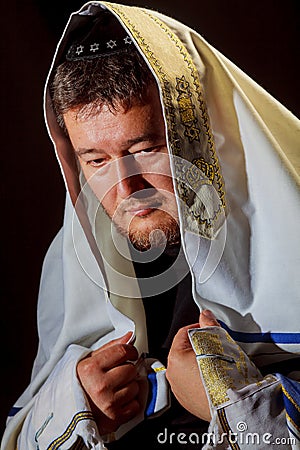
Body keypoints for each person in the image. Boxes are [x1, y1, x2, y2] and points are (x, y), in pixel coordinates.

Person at [1, 2, 300, 449]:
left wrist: (233, 403)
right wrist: (76, 402)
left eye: (144, 150)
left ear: (201, 133)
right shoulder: (76, 257)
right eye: (96, 161)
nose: (126, 189)